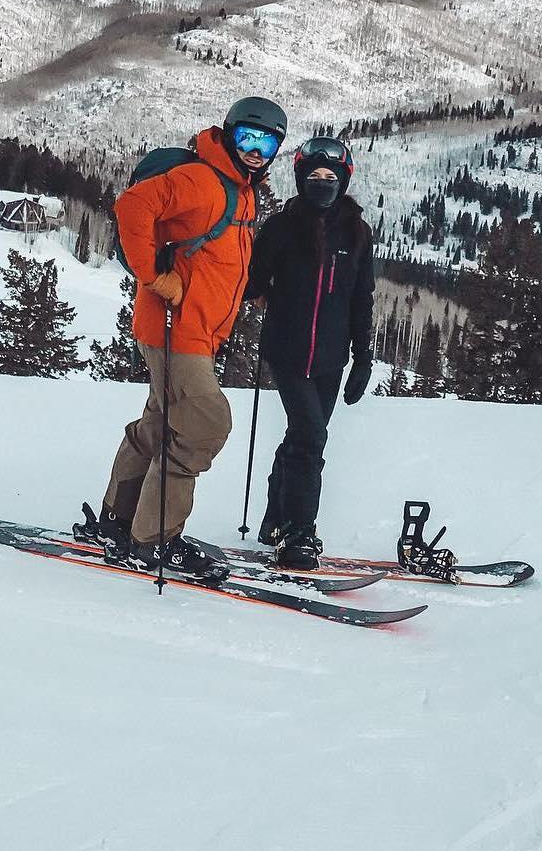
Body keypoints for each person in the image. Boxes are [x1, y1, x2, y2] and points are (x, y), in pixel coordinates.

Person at [75, 96, 287, 581]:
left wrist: (246, 293)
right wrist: (151, 277)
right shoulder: (202, 180)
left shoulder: (239, 187)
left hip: (192, 330)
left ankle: (117, 521)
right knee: (203, 426)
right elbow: (133, 204)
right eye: (248, 138)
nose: (257, 150)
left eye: (267, 142)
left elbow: (211, 253)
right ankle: (153, 542)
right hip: (178, 330)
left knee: (160, 423)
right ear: (230, 134)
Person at [243, 137, 376, 570]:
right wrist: (260, 290)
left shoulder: (356, 231)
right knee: (311, 437)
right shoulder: (282, 227)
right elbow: (253, 281)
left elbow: (363, 297)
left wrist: (362, 358)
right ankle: (299, 533)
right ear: (301, 179)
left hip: (331, 359)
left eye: (331, 177)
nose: (323, 183)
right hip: (288, 351)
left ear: (344, 180)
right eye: (315, 177)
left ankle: (275, 520)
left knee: (301, 437)